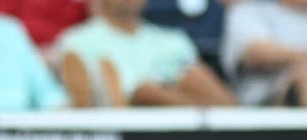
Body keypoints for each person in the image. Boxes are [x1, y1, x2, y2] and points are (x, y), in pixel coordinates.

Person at [54, 0, 235, 107]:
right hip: (127, 127)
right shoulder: (77, 41)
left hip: (187, 125)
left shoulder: (173, 40)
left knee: (195, 77)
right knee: (145, 91)